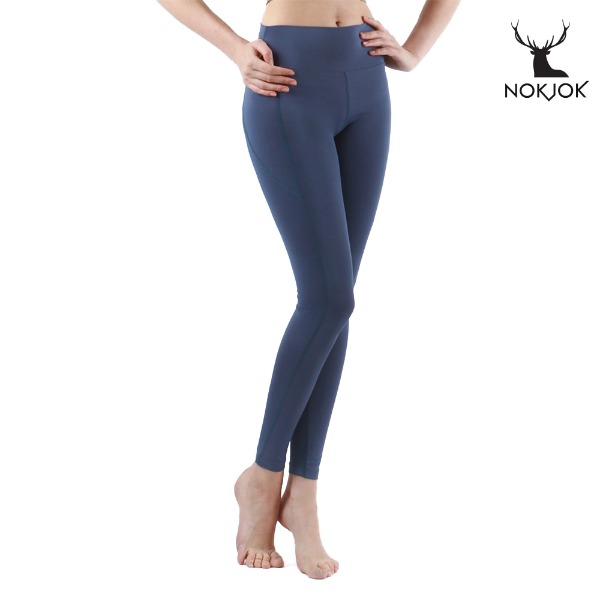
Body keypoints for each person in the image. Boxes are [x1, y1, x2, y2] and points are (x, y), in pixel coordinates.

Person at [156, 0, 461, 580]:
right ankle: (263, 477)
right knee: (330, 298)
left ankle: (303, 491)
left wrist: (415, 49)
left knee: (336, 301)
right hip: (287, 82)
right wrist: (235, 49)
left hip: (367, 82)